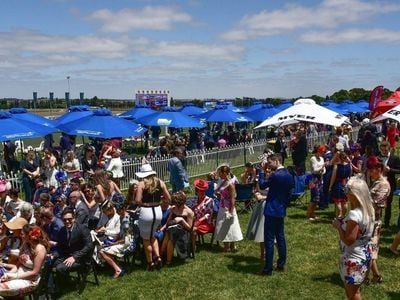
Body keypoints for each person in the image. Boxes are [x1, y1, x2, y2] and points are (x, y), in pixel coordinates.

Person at [332, 176, 375, 300]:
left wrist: (338, 227)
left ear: (355, 194)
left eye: (348, 191)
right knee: (353, 291)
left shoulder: (354, 214)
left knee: (354, 294)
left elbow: (349, 240)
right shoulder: (369, 210)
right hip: (365, 253)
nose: (346, 194)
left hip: (353, 257)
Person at [258, 154, 293, 276]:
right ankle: (281, 264)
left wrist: (261, 172)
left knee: (269, 239)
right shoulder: (288, 174)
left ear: (277, 161)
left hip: (271, 210)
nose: (268, 165)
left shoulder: (275, 175)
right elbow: (290, 193)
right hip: (281, 209)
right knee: (280, 237)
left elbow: (262, 185)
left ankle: (268, 268)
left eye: (270, 162)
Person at [135, 164, 171, 271]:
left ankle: (150, 262)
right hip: (158, 210)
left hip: (146, 212)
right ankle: (158, 257)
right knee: (153, 236)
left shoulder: (141, 184)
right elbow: (168, 197)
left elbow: (137, 200)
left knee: (146, 239)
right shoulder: (160, 182)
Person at [0, 225, 49, 297]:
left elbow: (35, 272)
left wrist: (14, 277)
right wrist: (8, 274)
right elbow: (17, 265)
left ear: (29, 235)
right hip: (18, 274)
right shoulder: (25, 244)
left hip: (31, 280)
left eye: (22, 234)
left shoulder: (40, 249)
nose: (20, 235)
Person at [365, 156, 390, 284]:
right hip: (369, 220)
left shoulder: (384, 185)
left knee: (370, 250)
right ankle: (375, 276)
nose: (369, 172)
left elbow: (374, 204)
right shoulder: (375, 182)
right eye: (369, 169)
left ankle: (366, 277)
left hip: (374, 222)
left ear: (379, 169)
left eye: (371, 169)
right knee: (370, 249)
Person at [54, 209, 93, 287]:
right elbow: (60, 246)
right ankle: (51, 287)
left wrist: (75, 257)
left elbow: (89, 246)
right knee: (50, 263)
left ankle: (67, 286)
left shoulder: (82, 228)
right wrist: (53, 255)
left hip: (81, 258)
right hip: (68, 255)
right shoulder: (62, 230)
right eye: (64, 220)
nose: (67, 221)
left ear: (74, 218)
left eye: (69, 219)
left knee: (60, 268)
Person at [214, 164, 243, 252]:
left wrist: (231, 211)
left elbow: (233, 198)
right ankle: (226, 245)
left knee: (230, 226)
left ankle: (231, 246)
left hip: (228, 207)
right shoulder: (223, 181)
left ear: (225, 173)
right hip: (222, 206)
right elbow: (216, 191)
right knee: (223, 226)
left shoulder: (231, 184)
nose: (219, 174)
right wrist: (219, 194)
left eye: (220, 173)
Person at [161, 191, 194, 264]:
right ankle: (165, 258)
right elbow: (168, 223)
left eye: (176, 203)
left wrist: (182, 220)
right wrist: (174, 221)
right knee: (171, 234)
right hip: (172, 230)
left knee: (170, 235)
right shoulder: (173, 209)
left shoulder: (189, 212)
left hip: (184, 233)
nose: (175, 205)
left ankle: (163, 257)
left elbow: (189, 228)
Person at [378, 141, 400, 227]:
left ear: (389, 149)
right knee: (378, 202)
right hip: (379, 183)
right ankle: (378, 220)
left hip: (390, 183)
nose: (384, 152)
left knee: (388, 204)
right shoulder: (378, 157)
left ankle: (386, 223)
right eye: (382, 150)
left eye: (385, 150)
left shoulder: (395, 158)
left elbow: (399, 170)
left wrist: (390, 170)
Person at [329, 143, 352, 219]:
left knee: (338, 202)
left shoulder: (336, 166)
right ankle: (344, 216)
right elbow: (350, 175)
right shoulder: (349, 165)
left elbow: (333, 177)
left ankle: (338, 216)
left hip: (338, 184)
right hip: (346, 183)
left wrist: (330, 186)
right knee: (345, 201)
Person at [307, 145, 326, 221]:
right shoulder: (313, 159)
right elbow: (315, 170)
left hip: (320, 178)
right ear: (317, 151)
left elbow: (324, 170)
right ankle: (309, 214)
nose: (322, 153)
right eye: (321, 152)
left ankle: (313, 213)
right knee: (314, 198)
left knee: (318, 198)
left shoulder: (322, 158)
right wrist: (322, 168)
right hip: (314, 179)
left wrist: (322, 170)